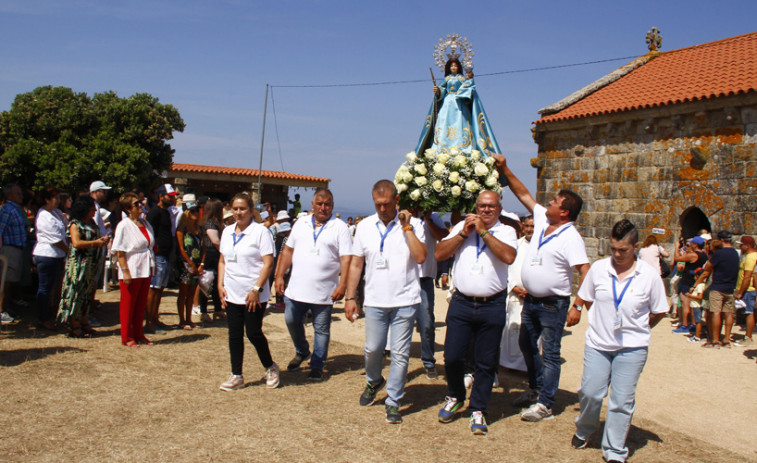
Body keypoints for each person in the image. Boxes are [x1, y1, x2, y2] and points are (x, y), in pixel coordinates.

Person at [494, 153, 590, 422]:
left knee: (551, 354)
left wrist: (578, 305)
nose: (549, 201)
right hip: (532, 302)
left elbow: (586, 271)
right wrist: (506, 167)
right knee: (527, 345)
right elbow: (522, 192)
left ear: (565, 211)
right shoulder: (543, 222)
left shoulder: (570, 237)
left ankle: (546, 403)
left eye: (555, 201)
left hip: (553, 304)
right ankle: (536, 389)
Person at [569, 219, 667, 463]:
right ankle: (585, 428)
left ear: (635, 247)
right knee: (591, 393)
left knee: (621, 401)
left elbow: (660, 309)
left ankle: (614, 450)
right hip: (598, 344)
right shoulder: (600, 269)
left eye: (623, 250)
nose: (617, 254)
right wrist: (596, 317)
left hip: (632, 348)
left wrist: (643, 327)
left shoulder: (649, 275)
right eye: (613, 248)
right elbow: (586, 296)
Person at [344, 180, 426, 424]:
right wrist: (350, 297)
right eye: (378, 204)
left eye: (387, 204)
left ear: (396, 199)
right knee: (372, 349)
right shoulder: (365, 227)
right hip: (376, 300)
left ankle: (393, 400)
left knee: (400, 353)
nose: (382, 209)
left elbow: (421, 257)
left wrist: (407, 227)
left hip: (405, 299)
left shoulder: (414, 226)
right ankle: (374, 380)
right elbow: (356, 264)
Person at [435, 191, 517, 434]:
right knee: (452, 356)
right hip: (461, 302)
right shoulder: (463, 226)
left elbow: (509, 256)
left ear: (499, 209)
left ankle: (478, 409)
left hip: (491, 304)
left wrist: (483, 232)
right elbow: (439, 253)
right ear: (476, 207)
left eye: (491, 207)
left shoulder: (506, 231)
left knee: (486, 361)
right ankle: (455, 395)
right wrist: (463, 233)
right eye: (481, 206)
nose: (486, 210)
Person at [275, 188, 352, 381]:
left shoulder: (340, 227)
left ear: (332, 206)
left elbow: (347, 259)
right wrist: (279, 276)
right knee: (291, 321)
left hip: (324, 292)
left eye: (327, 204)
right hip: (296, 289)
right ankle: (302, 351)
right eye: (319, 204)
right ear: (312, 205)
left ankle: (317, 364)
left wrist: (342, 285)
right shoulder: (300, 224)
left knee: (321, 329)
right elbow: (287, 252)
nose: (323, 208)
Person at [217, 193, 279, 391]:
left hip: (253, 294)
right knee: (234, 334)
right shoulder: (227, 232)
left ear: (251, 210)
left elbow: (268, 263)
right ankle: (237, 374)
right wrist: (219, 284)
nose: (238, 213)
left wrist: (256, 289)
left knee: (253, 332)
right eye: (235, 209)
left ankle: (270, 366)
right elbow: (222, 260)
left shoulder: (260, 232)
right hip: (232, 292)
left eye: (242, 208)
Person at [415, 59, 500, 157]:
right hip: (446, 105)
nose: (453, 68)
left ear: (459, 67)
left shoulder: (461, 78)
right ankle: (442, 147)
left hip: (459, 104)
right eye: (451, 66)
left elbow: (468, 87)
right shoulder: (446, 79)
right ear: (448, 68)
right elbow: (442, 90)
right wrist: (437, 90)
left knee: (461, 122)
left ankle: (462, 147)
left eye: (455, 66)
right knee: (444, 122)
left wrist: (470, 80)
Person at [57, 196, 110, 337]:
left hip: (91, 264)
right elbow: (76, 243)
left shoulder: (92, 223)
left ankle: (85, 321)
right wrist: (95, 243)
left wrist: (102, 241)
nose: (94, 211)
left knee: (87, 295)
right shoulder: (75, 224)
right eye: (92, 209)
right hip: (79, 265)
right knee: (77, 294)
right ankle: (74, 325)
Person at [112, 192, 155, 346]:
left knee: (140, 304)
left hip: (145, 267)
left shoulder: (145, 223)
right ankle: (127, 336)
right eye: (136, 203)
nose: (140, 205)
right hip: (132, 267)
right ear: (128, 209)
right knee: (128, 304)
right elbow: (120, 251)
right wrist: (125, 271)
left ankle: (138, 333)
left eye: (140, 203)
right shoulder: (124, 225)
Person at [690, 231, 739, 347]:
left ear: (721, 240)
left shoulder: (719, 254)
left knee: (715, 312)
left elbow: (707, 268)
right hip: (730, 286)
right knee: (728, 313)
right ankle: (726, 339)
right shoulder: (735, 253)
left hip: (718, 286)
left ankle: (715, 340)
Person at [416, 211, 449, 379]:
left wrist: (428, 220)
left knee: (427, 322)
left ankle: (429, 360)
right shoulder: (400, 215)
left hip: (425, 278)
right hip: (402, 278)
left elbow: (444, 237)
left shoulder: (433, 217)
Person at [500, 215, 535, 371]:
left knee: (531, 332)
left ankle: (529, 366)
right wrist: (514, 287)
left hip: (534, 296)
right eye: (527, 226)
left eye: (533, 226)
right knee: (512, 330)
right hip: (516, 294)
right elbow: (507, 268)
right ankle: (509, 363)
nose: (529, 229)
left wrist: (532, 290)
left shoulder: (542, 247)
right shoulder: (516, 245)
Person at [32, 187, 68, 330]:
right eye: (56, 198)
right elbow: (56, 239)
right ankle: (43, 317)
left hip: (57, 255)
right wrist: (70, 250)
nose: (59, 201)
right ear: (47, 200)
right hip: (47, 254)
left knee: (54, 287)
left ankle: (51, 313)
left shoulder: (54, 213)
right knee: (45, 288)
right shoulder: (44, 216)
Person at [145, 184, 178, 334]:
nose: (172, 198)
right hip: (158, 256)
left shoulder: (166, 212)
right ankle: (150, 322)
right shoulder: (155, 212)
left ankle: (155, 318)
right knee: (154, 289)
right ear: (161, 196)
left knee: (160, 290)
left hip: (165, 255)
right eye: (169, 196)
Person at [175, 201, 206, 329]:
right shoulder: (181, 229)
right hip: (185, 264)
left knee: (192, 292)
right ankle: (182, 320)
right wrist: (190, 263)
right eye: (192, 211)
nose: (195, 213)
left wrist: (201, 264)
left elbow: (204, 247)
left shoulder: (200, 229)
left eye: (196, 211)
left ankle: (189, 319)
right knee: (183, 292)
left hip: (198, 263)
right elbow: (181, 248)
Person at [0, 184, 28, 323]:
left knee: (10, 281)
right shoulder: (7, 210)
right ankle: (1, 310)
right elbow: (0, 229)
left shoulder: (15, 209)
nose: (21, 196)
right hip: (9, 249)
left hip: (16, 249)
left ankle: (5, 308)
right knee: (5, 281)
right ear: (9, 195)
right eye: (18, 194)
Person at [672, 236, 708, 333]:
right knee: (693, 305)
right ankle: (693, 324)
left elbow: (677, 258)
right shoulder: (704, 255)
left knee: (685, 304)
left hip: (688, 281)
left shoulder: (693, 255)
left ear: (695, 245)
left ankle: (685, 325)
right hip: (695, 280)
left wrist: (676, 247)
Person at [199, 199, 225, 321]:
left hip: (215, 255)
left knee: (215, 284)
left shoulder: (215, 223)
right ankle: (203, 311)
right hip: (211, 255)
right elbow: (215, 241)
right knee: (206, 283)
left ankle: (217, 309)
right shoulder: (210, 223)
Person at [734, 235, 756, 347]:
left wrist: (740, 292)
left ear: (747, 246)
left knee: (749, 313)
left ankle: (748, 338)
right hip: (747, 289)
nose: (740, 246)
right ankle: (747, 336)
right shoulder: (748, 256)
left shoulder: (751, 257)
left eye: (741, 245)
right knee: (747, 313)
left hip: (749, 290)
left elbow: (747, 276)